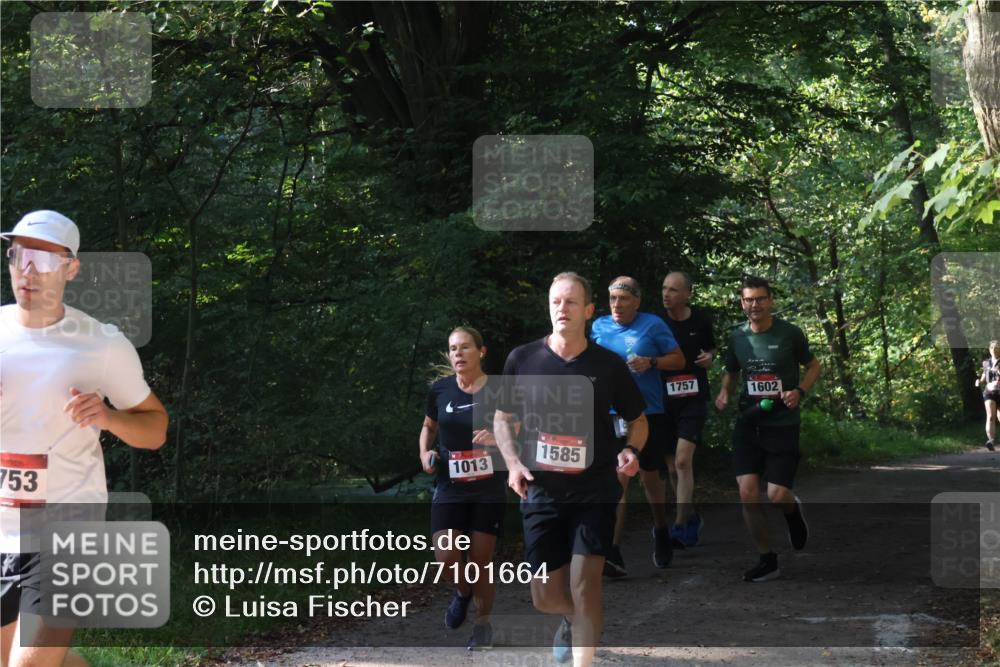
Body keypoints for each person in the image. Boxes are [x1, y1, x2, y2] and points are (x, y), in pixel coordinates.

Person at [0, 210, 168, 667]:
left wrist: (109, 418)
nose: (28, 270)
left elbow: (155, 429)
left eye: (44, 259)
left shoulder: (102, 344)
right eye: (19, 255)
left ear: (71, 268)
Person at [493, 272, 647, 667]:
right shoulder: (521, 359)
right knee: (545, 595)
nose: (562, 309)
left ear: (589, 311)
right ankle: (570, 620)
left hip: (595, 488)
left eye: (571, 302)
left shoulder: (608, 365)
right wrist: (511, 464)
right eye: (556, 302)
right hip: (540, 490)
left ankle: (583, 656)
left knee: (585, 585)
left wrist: (630, 449)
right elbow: (502, 418)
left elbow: (639, 420)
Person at [714, 276, 820, 582]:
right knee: (747, 492)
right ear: (741, 302)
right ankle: (767, 558)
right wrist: (724, 393)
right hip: (749, 421)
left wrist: (799, 390)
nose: (755, 305)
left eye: (760, 299)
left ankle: (791, 511)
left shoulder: (790, 333)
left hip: (782, 423)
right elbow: (731, 371)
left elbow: (814, 366)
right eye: (749, 299)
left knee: (775, 494)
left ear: (770, 300)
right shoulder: (738, 337)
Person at [418, 326, 505, 650]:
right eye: (453, 349)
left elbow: (524, 433)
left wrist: (498, 439)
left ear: (480, 352)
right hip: (450, 484)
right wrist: (425, 453)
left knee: (481, 560)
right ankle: (462, 592)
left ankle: (483, 626)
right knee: (447, 557)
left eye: (465, 347)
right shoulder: (440, 390)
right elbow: (428, 427)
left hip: (488, 485)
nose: (458, 354)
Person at [590, 276, 684, 575]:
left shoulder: (653, 324)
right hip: (610, 415)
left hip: (647, 413)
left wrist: (651, 362)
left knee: (649, 478)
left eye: (624, 299)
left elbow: (679, 360)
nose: (617, 305)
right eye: (613, 299)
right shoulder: (599, 327)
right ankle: (612, 550)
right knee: (618, 479)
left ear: (637, 301)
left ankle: (659, 528)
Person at [660, 271, 716, 548]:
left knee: (683, 462)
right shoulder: (655, 323)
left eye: (673, 290)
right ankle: (691, 516)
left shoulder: (701, 320)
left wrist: (710, 358)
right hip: (665, 400)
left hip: (693, 399)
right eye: (664, 289)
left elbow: (711, 350)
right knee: (672, 469)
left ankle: (680, 526)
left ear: (687, 294)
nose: (666, 295)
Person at [975, 339, 999, 451]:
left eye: (997, 348)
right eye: (992, 348)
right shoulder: (986, 363)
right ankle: (991, 441)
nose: (994, 350)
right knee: (990, 416)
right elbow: (984, 377)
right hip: (989, 391)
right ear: (989, 350)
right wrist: (979, 381)